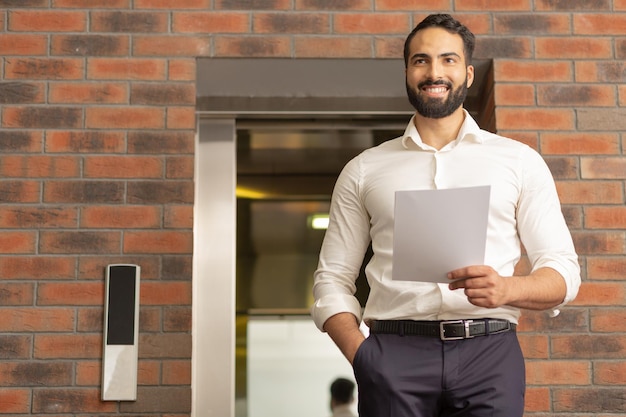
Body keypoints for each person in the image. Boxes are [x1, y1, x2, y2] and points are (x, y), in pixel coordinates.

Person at [311, 13, 580, 417]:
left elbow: (563, 273)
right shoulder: (365, 169)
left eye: (448, 60)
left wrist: (508, 290)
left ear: (468, 73)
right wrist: (362, 355)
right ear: (406, 71)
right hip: (392, 356)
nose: (434, 72)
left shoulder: (519, 161)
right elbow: (331, 279)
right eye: (421, 60)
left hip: (489, 355)